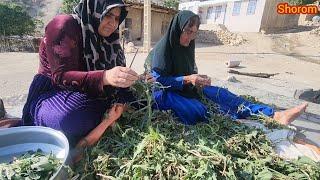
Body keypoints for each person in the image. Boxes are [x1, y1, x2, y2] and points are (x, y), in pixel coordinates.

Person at [148, 10, 308, 126]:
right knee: (196, 110)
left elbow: (190, 73)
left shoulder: (187, 47)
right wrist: (187, 79)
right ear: (177, 29)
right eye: (188, 32)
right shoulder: (162, 50)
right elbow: (157, 80)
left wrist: (198, 79)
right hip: (165, 92)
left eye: (194, 33)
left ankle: (275, 115)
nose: (190, 38)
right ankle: (234, 121)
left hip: (186, 88)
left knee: (222, 95)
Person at [21, 0, 139, 148]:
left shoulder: (109, 41)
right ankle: (104, 117)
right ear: (94, 9)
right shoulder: (64, 25)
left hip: (88, 92)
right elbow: (61, 76)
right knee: (69, 118)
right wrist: (105, 77)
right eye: (108, 15)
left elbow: (118, 77)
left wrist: (129, 83)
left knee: (137, 102)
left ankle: (106, 115)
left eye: (117, 18)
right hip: (54, 90)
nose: (113, 23)